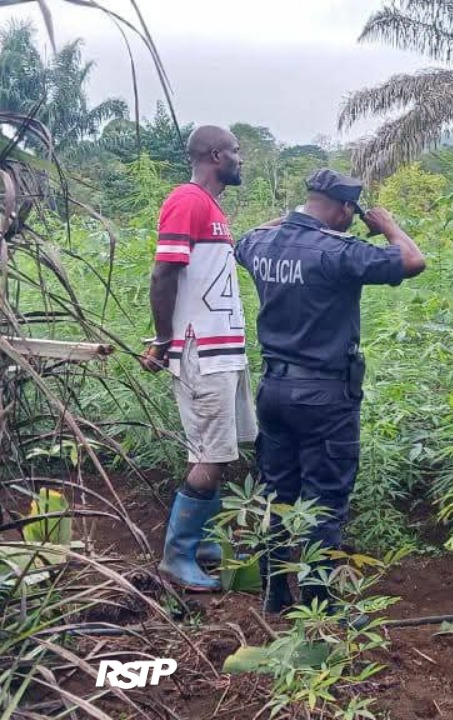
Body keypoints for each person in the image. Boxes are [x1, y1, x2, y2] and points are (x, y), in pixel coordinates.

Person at [234, 169, 425, 615]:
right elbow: (412, 260)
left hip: (275, 389)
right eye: (350, 215)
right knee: (325, 499)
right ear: (343, 209)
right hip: (324, 396)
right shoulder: (339, 252)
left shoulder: (259, 244)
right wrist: (388, 227)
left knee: (275, 494)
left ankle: (275, 596)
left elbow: (245, 238)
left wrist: (292, 220)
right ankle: (320, 605)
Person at [140, 126, 255, 592]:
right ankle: (177, 555)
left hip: (223, 350)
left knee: (220, 451)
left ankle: (202, 540)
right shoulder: (187, 200)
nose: (239, 158)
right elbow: (163, 273)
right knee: (208, 454)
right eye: (235, 151)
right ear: (214, 156)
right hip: (201, 350)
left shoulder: (212, 208)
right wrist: (164, 338)